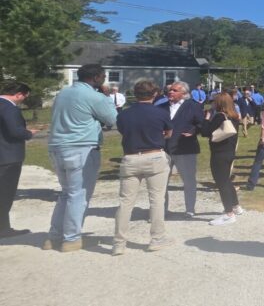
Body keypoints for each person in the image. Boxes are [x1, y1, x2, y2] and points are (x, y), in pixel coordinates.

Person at [45, 64, 118, 252]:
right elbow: (113, 119)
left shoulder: (63, 93)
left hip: (57, 146)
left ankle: (54, 236)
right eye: (103, 76)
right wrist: (106, 96)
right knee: (79, 195)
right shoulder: (94, 96)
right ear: (95, 77)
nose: (104, 79)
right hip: (81, 147)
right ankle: (71, 238)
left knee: (66, 193)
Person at [112, 80, 173, 255]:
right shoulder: (160, 112)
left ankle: (119, 242)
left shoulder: (124, 114)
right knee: (156, 200)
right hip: (154, 155)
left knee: (125, 202)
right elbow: (168, 133)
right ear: (154, 94)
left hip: (131, 157)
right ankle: (156, 238)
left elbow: (123, 131)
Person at [158, 81, 205, 218]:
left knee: (189, 180)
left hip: (185, 147)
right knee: (161, 182)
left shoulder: (193, 106)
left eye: (174, 90)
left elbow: (201, 123)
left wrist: (193, 131)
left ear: (184, 94)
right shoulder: (161, 107)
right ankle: (161, 210)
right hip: (164, 149)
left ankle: (189, 209)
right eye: (170, 90)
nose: (170, 92)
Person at [0, 82, 37, 238]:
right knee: (5, 194)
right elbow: (15, 131)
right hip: (8, 156)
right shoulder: (9, 108)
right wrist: (29, 133)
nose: (23, 100)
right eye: (24, 97)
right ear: (19, 94)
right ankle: (3, 229)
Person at [201, 93, 244, 226]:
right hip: (229, 152)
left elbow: (205, 132)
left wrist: (207, 118)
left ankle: (228, 213)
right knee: (226, 179)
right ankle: (236, 206)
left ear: (218, 103)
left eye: (214, 101)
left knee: (221, 182)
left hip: (219, 153)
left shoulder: (219, 116)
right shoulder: (234, 116)